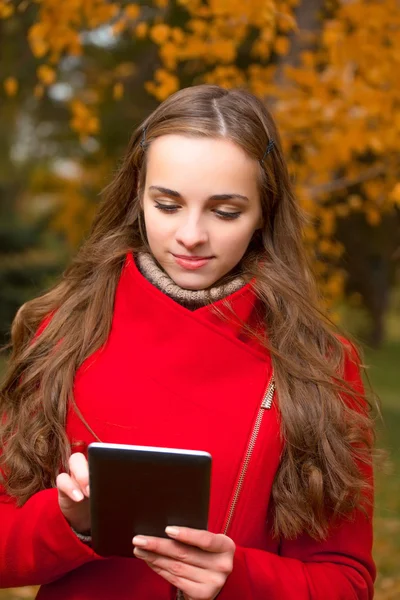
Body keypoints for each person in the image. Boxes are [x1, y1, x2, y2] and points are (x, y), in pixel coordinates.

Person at [0, 84, 376, 600]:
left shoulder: (321, 361)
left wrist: (238, 577)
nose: (191, 235)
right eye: (168, 204)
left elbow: (347, 580)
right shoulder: (64, 331)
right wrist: (69, 523)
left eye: (224, 211)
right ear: (138, 197)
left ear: (264, 212)